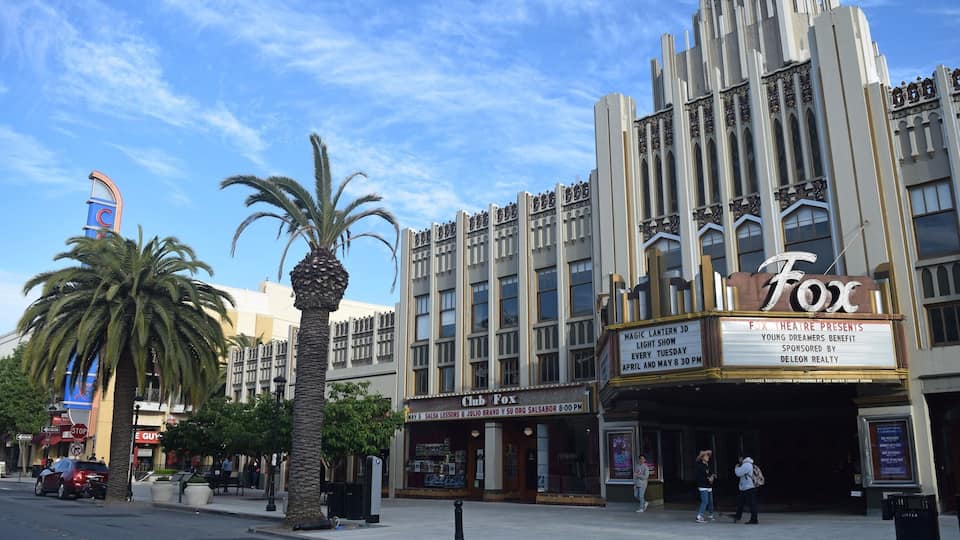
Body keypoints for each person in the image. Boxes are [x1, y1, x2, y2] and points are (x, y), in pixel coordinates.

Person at [733, 454, 759, 524]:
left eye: (739, 458)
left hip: (749, 487)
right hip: (746, 487)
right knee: (740, 503)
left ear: (742, 458)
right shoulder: (749, 463)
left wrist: (736, 468)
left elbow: (738, 473)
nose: (739, 460)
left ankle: (754, 519)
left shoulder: (746, 464)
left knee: (752, 504)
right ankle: (738, 516)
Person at [695, 450, 716, 523]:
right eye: (706, 456)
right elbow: (699, 476)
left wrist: (712, 477)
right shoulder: (699, 466)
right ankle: (699, 516)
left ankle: (711, 514)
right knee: (705, 501)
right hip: (702, 485)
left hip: (709, 485)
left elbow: (711, 473)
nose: (708, 457)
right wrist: (708, 478)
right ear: (702, 457)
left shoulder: (708, 465)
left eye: (708, 456)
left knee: (710, 501)